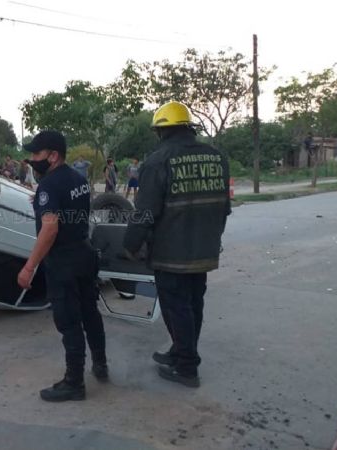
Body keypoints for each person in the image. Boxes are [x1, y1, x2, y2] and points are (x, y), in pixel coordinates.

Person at [121, 101, 231, 388]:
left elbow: (144, 212)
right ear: (188, 127)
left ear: (162, 131)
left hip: (171, 252)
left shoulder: (158, 161)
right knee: (194, 303)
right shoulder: (216, 157)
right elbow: (224, 208)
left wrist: (130, 244)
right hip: (204, 250)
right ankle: (180, 351)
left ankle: (186, 367)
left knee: (176, 306)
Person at [17, 130, 107, 402]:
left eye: (36, 154)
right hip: (84, 254)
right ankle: (101, 365)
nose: (33, 160)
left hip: (63, 262)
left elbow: (50, 228)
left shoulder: (49, 185)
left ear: (52, 156)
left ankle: (74, 382)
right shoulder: (78, 179)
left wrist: (29, 267)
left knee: (69, 322)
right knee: (90, 313)